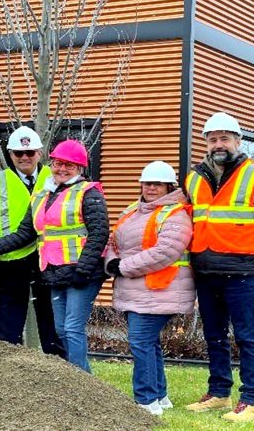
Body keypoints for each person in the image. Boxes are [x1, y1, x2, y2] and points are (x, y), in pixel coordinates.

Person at [183, 112, 254, 422]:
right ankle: (219, 393)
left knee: (246, 335)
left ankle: (252, 400)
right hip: (205, 269)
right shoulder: (194, 177)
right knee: (213, 334)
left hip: (241, 271)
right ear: (206, 143)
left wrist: (252, 243)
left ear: (238, 141)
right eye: (213, 139)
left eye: (225, 138)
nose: (219, 144)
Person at [0, 140, 109, 372]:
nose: (62, 169)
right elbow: (24, 234)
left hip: (80, 273)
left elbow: (99, 233)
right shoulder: (42, 195)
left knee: (73, 328)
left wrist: (83, 270)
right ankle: (72, 376)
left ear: (80, 168)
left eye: (70, 165)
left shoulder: (89, 193)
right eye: (58, 164)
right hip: (55, 271)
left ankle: (82, 381)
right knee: (60, 329)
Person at [104, 161, 195, 416]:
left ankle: (145, 401)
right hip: (137, 289)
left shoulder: (176, 214)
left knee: (140, 341)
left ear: (168, 186)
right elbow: (114, 240)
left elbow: (164, 252)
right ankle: (159, 396)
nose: (151, 188)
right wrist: (111, 260)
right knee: (148, 343)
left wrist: (122, 267)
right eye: (147, 183)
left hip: (160, 290)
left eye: (157, 184)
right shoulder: (133, 211)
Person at [0, 126, 64, 356]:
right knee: (6, 331)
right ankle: (5, 379)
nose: (24, 158)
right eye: (18, 153)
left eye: (30, 152)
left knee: (54, 327)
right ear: (10, 154)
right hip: (9, 262)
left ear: (40, 152)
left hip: (49, 261)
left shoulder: (58, 178)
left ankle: (61, 378)